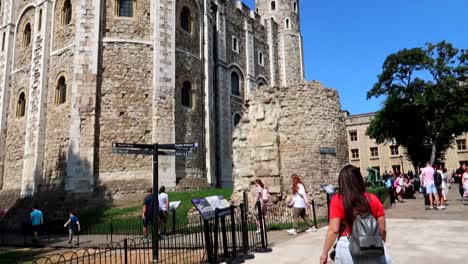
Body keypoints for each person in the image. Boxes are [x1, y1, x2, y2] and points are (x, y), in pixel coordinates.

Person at [320, 165, 390, 264]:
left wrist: (324, 253)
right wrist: (377, 244)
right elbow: (382, 229)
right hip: (372, 244)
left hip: (347, 244)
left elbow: (334, 230)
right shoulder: (373, 199)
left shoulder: (338, 199)